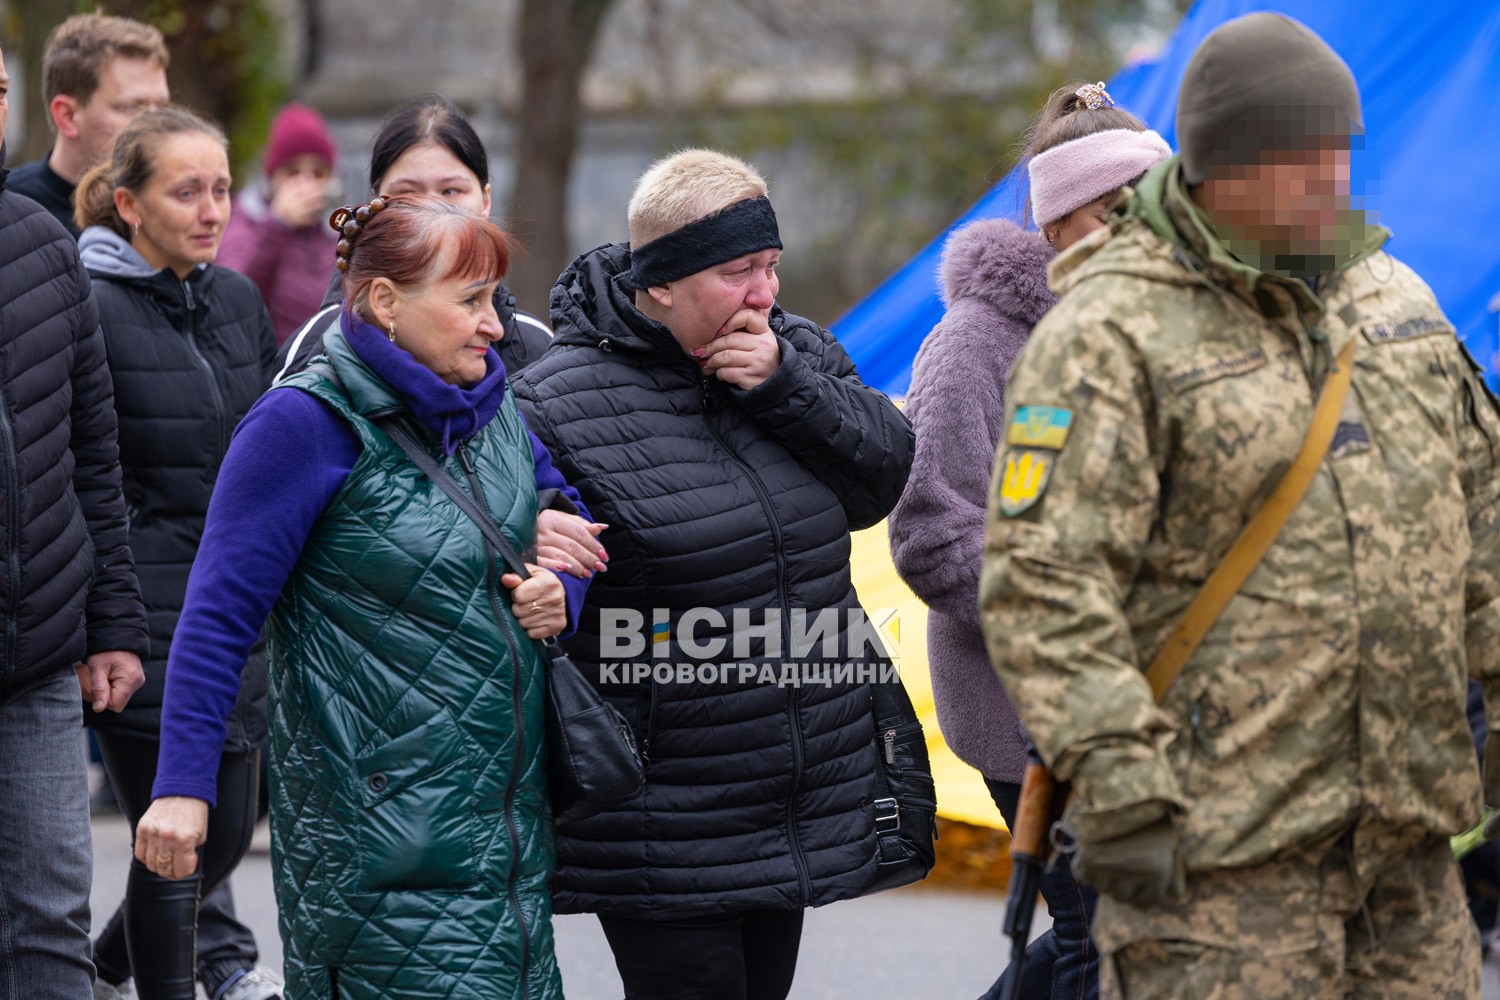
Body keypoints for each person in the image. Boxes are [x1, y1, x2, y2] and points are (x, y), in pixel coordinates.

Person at [981, 12, 1497, 999]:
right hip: (1216, 874)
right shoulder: (1111, 330)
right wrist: (1128, 793)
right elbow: (1045, 586)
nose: (1333, 184)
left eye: (1340, 154)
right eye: (1300, 161)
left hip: (1411, 858)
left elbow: (1483, 522)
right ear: (1221, 166)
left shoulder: (1397, 302)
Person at [134, 194, 590, 1000]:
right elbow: (216, 618)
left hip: (506, 840)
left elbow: (564, 518)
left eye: (493, 300)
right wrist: (181, 788)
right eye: (470, 301)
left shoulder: (491, 408)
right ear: (384, 303)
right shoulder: (302, 424)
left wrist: (564, 589)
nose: (495, 326)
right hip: (378, 843)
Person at [510, 148, 916, 1000]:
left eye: (769, 267)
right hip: (664, 807)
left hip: (793, 788)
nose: (763, 294)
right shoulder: (554, 399)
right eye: (736, 273)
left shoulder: (792, 351)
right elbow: (511, 559)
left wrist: (783, 388)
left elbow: (882, 479)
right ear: (659, 282)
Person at [888, 80, 1170, 1000]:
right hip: (1029, 711)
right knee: (1107, 945)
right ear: (1055, 227)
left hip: (1147, 705)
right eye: (1114, 212)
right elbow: (932, 537)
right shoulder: (973, 345)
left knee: (1137, 938)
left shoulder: (1160, 330)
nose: (1145, 233)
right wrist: (1078, 610)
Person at [73, 106, 283, 1000]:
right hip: (140, 618)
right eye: (185, 190)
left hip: (238, 612)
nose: (212, 209)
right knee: (178, 840)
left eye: (223, 189)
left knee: (232, 828)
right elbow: (80, 470)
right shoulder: (89, 306)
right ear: (128, 202)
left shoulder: (233, 299)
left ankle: (93, 970)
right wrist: (100, 617)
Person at [0, 42, 149, 1000]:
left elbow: (94, 456)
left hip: (36, 653)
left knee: (51, 918)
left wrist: (113, 626)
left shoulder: (42, 244)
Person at [274, 94, 553, 381]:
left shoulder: (532, 346)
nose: (432, 208)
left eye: (450, 191)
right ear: (375, 204)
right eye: (407, 193)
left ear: (485, 201)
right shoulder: (322, 344)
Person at [9, 12, 169, 236]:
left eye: (162, 107)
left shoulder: (176, 208)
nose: (158, 125)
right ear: (68, 116)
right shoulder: (9, 212)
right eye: (132, 107)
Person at [217, 103, 340, 346]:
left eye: (317, 173)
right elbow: (232, 297)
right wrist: (278, 225)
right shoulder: (247, 221)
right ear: (273, 176)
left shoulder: (334, 233)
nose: (305, 183)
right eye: (293, 172)